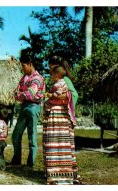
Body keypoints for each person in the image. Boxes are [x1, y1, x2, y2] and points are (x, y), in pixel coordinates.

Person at [42, 55, 81, 185]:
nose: (49, 69)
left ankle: (62, 174)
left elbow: (72, 95)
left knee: (60, 144)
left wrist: (57, 98)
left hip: (62, 116)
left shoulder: (64, 80)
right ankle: (55, 172)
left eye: (50, 66)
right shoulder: (58, 80)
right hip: (56, 116)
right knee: (56, 144)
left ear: (56, 67)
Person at [11, 52, 45, 168]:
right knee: (16, 134)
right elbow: (17, 92)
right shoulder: (24, 78)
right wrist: (20, 94)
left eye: (24, 66)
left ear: (30, 64)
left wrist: (20, 94)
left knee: (32, 135)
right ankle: (16, 159)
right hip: (24, 106)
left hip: (34, 107)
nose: (23, 68)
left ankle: (31, 162)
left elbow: (30, 93)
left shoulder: (38, 78)